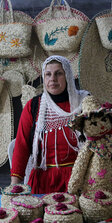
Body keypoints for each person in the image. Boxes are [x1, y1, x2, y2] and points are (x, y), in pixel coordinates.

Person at [10, 55, 90, 194]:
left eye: (58, 73)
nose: (52, 79)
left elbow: (104, 137)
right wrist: (14, 187)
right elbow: (22, 146)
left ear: (68, 76)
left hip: (80, 180)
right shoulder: (33, 106)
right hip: (44, 181)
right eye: (48, 74)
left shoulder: (85, 102)